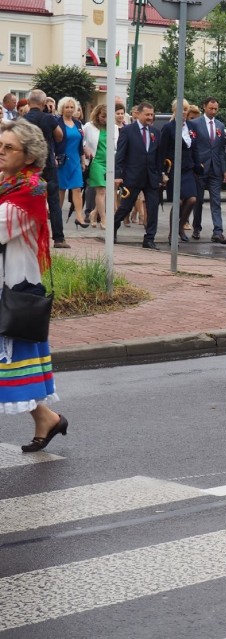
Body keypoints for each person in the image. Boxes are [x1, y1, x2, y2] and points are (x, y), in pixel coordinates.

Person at [0, 119, 68, 452]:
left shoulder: (29, 190)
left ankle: (47, 419)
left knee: (10, 369)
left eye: (8, 147)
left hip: (13, 290)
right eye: (0, 145)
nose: (0, 152)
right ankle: (47, 419)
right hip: (7, 288)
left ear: (28, 155)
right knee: (9, 372)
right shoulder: (7, 184)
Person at [114, 101, 162, 250]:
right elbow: (120, 155)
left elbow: (158, 156)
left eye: (151, 114)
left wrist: (160, 175)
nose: (150, 117)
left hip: (151, 177)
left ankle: (149, 239)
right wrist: (118, 174)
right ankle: (113, 228)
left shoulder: (155, 132)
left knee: (153, 208)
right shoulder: (128, 131)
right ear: (139, 114)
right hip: (132, 176)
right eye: (147, 114)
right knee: (126, 207)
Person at [23, 89, 68, 249]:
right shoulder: (49, 118)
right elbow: (60, 136)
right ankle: (59, 238)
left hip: (28, 165)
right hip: (47, 163)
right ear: (43, 104)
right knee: (53, 200)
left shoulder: (22, 119)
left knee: (27, 199)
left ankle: (28, 235)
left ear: (28, 103)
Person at [188, 97, 226, 243]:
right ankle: (196, 228)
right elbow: (192, 146)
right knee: (198, 200)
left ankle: (218, 231)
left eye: (215, 109)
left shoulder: (220, 125)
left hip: (215, 168)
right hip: (200, 167)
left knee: (216, 200)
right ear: (204, 107)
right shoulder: (195, 123)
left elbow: (220, 149)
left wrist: (225, 169)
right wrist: (197, 163)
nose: (213, 111)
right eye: (211, 108)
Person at [159, 99, 199, 243]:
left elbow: (195, 148)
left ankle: (181, 226)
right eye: (181, 109)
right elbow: (162, 151)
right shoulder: (169, 127)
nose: (184, 112)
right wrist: (162, 173)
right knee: (179, 202)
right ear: (175, 110)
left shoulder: (192, 127)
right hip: (174, 169)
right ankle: (172, 233)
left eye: (186, 109)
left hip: (188, 169)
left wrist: (198, 165)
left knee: (192, 199)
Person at [54, 97, 87, 229]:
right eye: (66, 107)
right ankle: (57, 216)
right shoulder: (56, 122)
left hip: (75, 160)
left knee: (77, 188)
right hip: (61, 160)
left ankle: (79, 216)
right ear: (61, 108)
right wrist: (53, 157)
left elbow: (80, 145)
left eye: (71, 107)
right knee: (61, 190)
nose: (69, 109)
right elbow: (53, 142)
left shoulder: (78, 123)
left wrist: (83, 160)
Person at [82, 104, 110, 230]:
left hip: (109, 161)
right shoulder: (89, 126)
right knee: (101, 190)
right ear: (97, 115)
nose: (105, 119)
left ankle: (94, 212)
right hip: (96, 161)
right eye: (103, 116)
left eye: (108, 117)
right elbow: (81, 140)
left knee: (107, 191)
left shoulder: (113, 127)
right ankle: (103, 218)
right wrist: (85, 147)